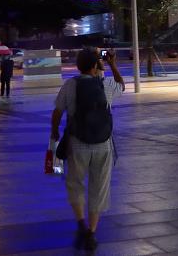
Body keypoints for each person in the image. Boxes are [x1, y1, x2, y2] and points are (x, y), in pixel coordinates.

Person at [51, 48, 124, 250]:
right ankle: (91, 232)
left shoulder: (70, 85)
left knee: (75, 183)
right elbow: (121, 85)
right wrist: (112, 63)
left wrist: (54, 131)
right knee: (99, 187)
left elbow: (57, 111)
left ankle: (81, 223)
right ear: (95, 66)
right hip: (103, 145)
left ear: (78, 65)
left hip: (77, 144)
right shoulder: (106, 85)